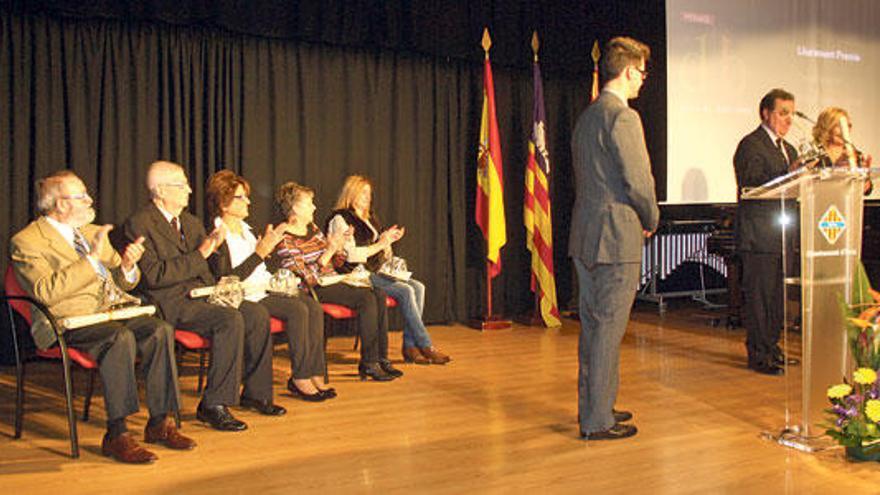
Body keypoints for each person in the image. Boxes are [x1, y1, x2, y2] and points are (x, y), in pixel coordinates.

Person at [10, 170, 195, 464]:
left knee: (159, 330)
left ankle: (160, 422)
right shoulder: (27, 241)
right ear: (60, 204)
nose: (90, 200)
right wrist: (91, 260)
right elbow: (45, 292)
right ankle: (117, 434)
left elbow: (123, 283)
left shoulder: (91, 231)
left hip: (108, 313)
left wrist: (128, 266)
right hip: (65, 321)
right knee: (118, 338)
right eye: (81, 196)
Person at [123, 161, 285, 432]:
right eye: (181, 184)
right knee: (229, 319)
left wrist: (219, 252)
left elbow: (215, 269)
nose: (189, 189)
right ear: (161, 191)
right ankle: (214, 404)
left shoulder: (190, 222)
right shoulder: (140, 223)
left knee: (256, 313)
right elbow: (154, 276)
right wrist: (202, 253)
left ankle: (256, 392)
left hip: (203, 293)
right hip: (171, 301)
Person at [568, 37, 659, 441]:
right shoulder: (623, 117)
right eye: (640, 72)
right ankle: (597, 421)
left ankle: (596, 405)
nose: (643, 80)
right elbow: (638, 181)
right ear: (626, 71)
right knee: (607, 330)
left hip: (585, 234)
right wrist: (651, 216)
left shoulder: (587, 116)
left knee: (594, 329)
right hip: (616, 237)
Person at [205, 170, 334, 402]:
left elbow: (260, 264)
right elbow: (228, 279)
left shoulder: (246, 229)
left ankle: (314, 372)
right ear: (224, 204)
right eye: (241, 197)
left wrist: (268, 249)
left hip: (262, 287)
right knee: (298, 309)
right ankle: (300, 377)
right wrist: (261, 252)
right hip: (243, 294)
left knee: (312, 306)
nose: (248, 201)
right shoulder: (217, 234)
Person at [270, 181, 402, 381]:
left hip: (331, 280)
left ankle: (380, 358)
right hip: (312, 288)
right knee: (366, 298)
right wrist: (329, 251)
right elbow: (308, 279)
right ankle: (369, 363)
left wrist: (339, 246)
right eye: (309, 203)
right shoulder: (285, 239)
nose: (314, 207)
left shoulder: (312, 229)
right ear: (296, 208)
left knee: (378, 293)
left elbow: (336, 260)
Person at [327, 175, 450, 365]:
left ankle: (409, 346)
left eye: (369, 193)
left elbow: (382, 252)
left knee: (418, 287)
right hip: (355, 275)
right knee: (406, 290)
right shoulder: (341, 219)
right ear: (351, 193)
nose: (368, 197)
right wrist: (380, 244)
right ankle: (425, 344)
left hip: (375, 271)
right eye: (363, 192)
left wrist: (388, 242)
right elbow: (350, 255)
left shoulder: (370, 218)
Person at [733, 89, 800, 376]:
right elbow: (753, 183)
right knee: (760, 298)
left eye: (791, 113)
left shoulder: (790, 149)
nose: (788, 119)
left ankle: (772, 347)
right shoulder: (751, 144)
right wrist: (790, 174)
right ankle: (759, 355)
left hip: (782, 234)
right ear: (765, 113)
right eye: (782, 112)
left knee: (775, 297)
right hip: (758, 235)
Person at [812, 107, 873, 194]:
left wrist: (865, 179)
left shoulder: (855, 155)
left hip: (850, 205)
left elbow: (866, 191)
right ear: (826, 127)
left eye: (848, 126)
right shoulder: (815, 156)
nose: (845, 130)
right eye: (839, 126)